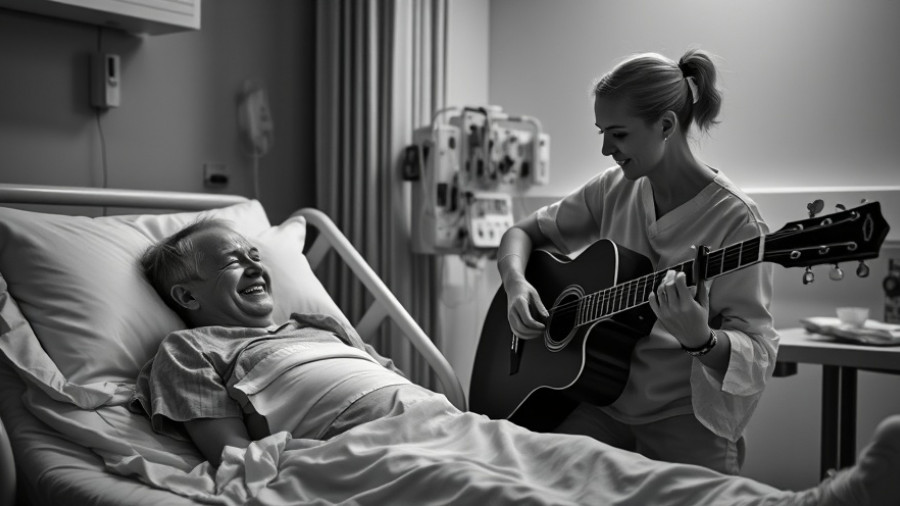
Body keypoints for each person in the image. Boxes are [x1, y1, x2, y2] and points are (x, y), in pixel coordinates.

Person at [131, 218, 900, 505]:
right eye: (233, 260)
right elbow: (231, 456)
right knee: (481, 490)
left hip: (435, 417)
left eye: (255, 251)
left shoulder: (311, 321)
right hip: (357, 450)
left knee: (583, 467)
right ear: (187, 294)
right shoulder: (189, 349)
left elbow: (388, 375)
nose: (257, 263)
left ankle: (800, 504)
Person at [497, 49, 775, 475]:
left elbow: (757, 355)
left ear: (665, 125)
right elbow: (521, 233)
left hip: (687, 421)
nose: (607, 148)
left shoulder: (736, 221)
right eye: (602, 133)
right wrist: (516, 281)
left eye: (619, 134)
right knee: (522, 478)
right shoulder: (612, 189)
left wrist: (701, 338)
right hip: (600, 408)